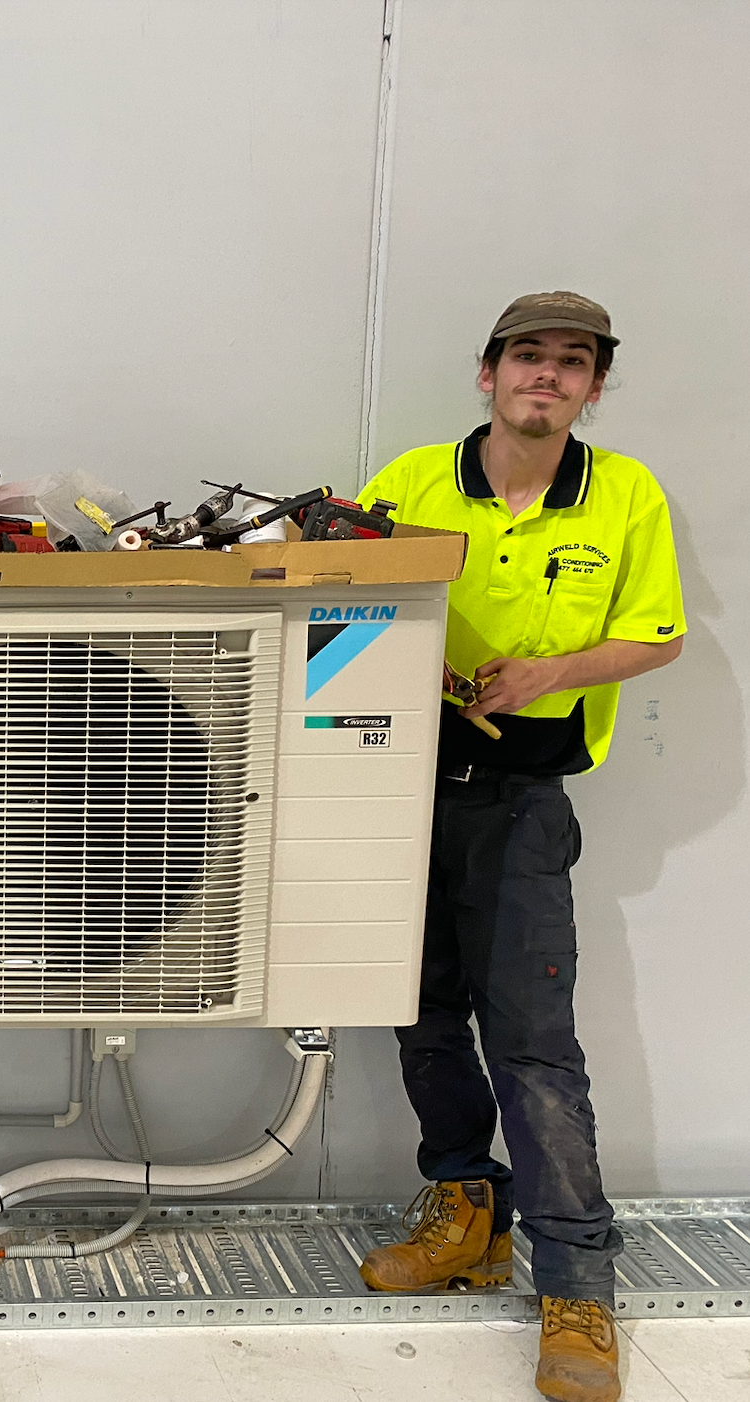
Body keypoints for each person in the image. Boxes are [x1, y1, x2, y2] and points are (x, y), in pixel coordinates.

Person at [354, 291, 685, 1402]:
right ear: (486, 373)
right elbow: (337, 603)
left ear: (592, 388)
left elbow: (657, 633)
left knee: (535, 1044)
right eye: (528, 357)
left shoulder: (624, 494)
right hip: (398, 786)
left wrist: (549, 672)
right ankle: (464, 1212)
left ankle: (575, 1284)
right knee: (421, 1013)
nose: (547, 376)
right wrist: (400, 661)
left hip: (521, 800)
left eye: (572, 362)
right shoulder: (406, 482)